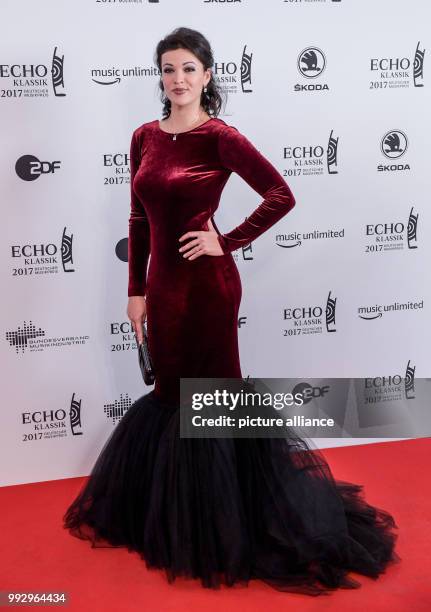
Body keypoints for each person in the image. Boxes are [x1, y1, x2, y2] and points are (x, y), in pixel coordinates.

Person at [63, 27, 400, 596]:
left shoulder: (220, 137)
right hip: (163, 290)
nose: (178, 79)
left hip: (208, 289)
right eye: (168, 69)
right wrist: (136, 290)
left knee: (212, 398)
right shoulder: (143, 136)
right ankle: (172, 519)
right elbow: (138, 220)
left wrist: (230, 239)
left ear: (208, 75)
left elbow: (280, 194)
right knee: (172, 395)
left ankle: (228, 523)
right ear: (160, 77)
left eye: (189, 69)